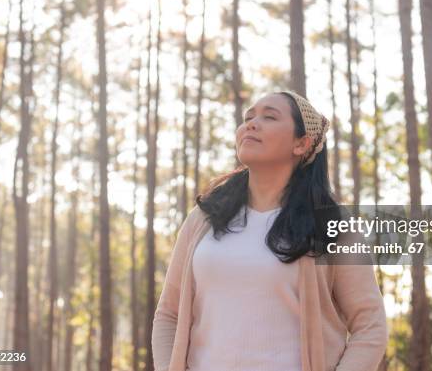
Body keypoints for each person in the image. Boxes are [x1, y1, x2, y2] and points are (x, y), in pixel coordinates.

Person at [152, 90, 388, 371]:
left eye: (269, 117)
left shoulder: (334, 226)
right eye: (248, 117)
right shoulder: (204, 218)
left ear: (301, 143)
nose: (251, 123)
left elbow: (370, 325)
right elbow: (168, 314)